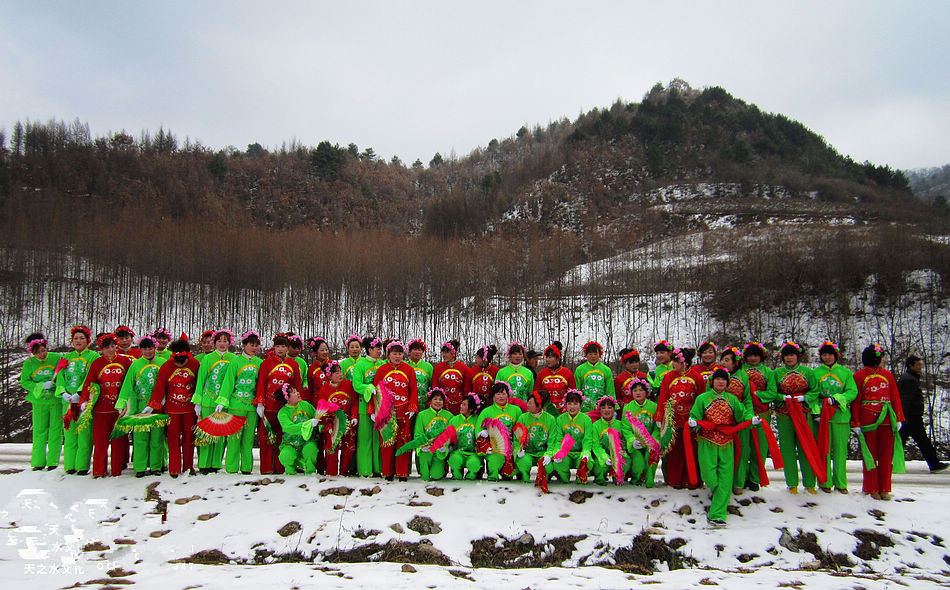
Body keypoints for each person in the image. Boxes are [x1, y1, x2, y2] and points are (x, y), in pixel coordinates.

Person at [689, 369, 756, 527]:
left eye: (723, 380)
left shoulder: (732, 400)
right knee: (708, 474)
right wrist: (692, 422)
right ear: (712, 381)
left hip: (727, 441)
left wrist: (751, 419)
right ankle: (719, 493)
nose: (720, 382)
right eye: (718, 379)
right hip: (707, 441)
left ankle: (717, 514)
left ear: (727, 383)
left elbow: (742, 415)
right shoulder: (702, 398)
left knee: (726, 477)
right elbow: (695, 415)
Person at [761, 342, 819, 495]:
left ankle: (810, 483)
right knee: (787, 450)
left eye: (792, 355)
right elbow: (773, 392)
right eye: (786, 355)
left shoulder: (808, 372)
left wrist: (804, 398)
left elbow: (815, 391)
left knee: (806, 448)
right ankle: (792, 483)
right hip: (784, 414)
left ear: (797, 356)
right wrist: (782, 397)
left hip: (803, 413)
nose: (789, 358)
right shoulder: (776, 373)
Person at [852, 345, 906, 500]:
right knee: (870, 455)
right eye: (881, 357)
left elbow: (894, 396)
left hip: (887, 419)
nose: (883, 360)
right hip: (867, 419)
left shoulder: (887, 375)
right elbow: (856, 400)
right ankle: (871, 487)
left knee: (886, 456)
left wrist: (898, 417)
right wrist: (855, 421)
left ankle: (885, 488)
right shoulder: (859, 376)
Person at [80, 334, 133, 477]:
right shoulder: (97, 363)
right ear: (101, 349)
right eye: (107, 347)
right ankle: (99, 470)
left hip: (119, 409)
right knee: (100, 441)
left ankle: (117, 470)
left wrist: (127, 402)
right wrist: (85, 400)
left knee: (118, 441)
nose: (111, 350)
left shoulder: (125, 361)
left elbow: (130, 382)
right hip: (101, 409)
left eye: (113, 346)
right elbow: (89, 383)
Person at [809, 341, 858, 494]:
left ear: (836, 355)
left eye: (830, 354)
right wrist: (816, 411)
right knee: (823, 451)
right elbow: (813, 394)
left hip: (840, 416)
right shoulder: (815, 373)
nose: (827, 357)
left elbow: (852, 391)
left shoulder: (845, 372)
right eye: (824, 354)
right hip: (822, 418)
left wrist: (837, 398)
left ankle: (841, 483)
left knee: (840, 451)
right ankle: (824, 482)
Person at [149, 338, 200, 477]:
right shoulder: (166, 366)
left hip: (190, 409)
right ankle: (174, 467)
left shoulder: (195, 364)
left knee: (189, 438)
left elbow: (199, 385)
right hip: (172, 409)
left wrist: (199, 403)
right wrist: (154, 404)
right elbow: (160, 387)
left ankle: (188, 467)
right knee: (173, 438)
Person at [254, 333, 303, 475]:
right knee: (267, 437)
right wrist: (260, 402)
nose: (280, 349)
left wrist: (297, 403)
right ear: (273, 348)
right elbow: (261, 383)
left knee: (283, 438)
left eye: (283, 346)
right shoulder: (267, 363)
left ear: (287, 348)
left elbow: (297, 385)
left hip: (285, 408)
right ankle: (267, 468)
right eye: (277, 346)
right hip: (268, 406)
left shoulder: (293, 364)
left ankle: (280, 467)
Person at [116, 335, 164, 477]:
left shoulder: (162, 363)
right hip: (140, 406)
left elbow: (167, 384)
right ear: (140, 350)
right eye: (145, 349)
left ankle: (156, 466)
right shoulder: (135, 365)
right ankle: (140, 467)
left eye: (151, 348)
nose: (148, 351)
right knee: (140, 438)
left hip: (157, 407)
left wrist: (163, 400)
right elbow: (127, 385)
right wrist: (122, 403)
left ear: (155, 348)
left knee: (157, 438)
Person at [218, 331, 263, 475]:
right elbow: (229, 382)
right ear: (244, 345)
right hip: (236, 405)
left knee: (248, 439)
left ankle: (246, 468)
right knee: (234, 438)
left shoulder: (260, 363)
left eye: (256, 346)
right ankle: (231, 468)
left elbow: (260, 385)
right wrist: (222, 401)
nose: (254, 348)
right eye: (251, 345)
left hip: (251, 407)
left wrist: (260, 403)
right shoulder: (236, 362)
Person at [55, 326, 99, 474]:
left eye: (82, 338)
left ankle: (81, 466)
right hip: (67, 401)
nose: (78, 341)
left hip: (84, 401)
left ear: (88, 340)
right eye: (76, 338)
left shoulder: (93, 357)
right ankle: (69, 465)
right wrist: (62, 392)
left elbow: (91, 377)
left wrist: (81, 392)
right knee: (69, 433)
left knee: (84, 434)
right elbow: (59, 376)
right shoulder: (66, 358)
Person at [373, 341, 419, 481]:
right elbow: (376, 390)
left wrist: (412, 407)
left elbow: (413, 390)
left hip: (404, 411)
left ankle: (402, 472)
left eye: (399, 354)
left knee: (403, 442)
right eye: (394, 353)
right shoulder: (382, 370)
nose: (397, 356)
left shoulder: (409, 370)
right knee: (387, 443)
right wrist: (374, 410)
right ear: (388, 355)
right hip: (386, 413)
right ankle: (388, 472)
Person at [655, 347, 701, 488]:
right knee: (674, 452)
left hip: (690, 421)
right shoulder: (668, 377)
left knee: (691, 451)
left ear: (684, 362)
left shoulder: (696, 377)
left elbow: (700, 399)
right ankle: (674, 481)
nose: (673, 364)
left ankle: (692, 481)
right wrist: (660, 416)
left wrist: (699, 419)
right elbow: (663, 397)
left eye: (675, 361)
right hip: (673, 421)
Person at [193, 329, 236, 474]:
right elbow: (201, 380)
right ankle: (204, 463)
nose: (222, 344)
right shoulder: (208, 359)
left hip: (224, 402)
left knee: (220, 433)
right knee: (206, 433)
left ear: (230, 343)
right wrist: (197, 401)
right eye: (219, 341)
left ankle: (216, 463)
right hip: (207, 400)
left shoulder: (233, 359)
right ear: (214, 343)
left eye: (225, 341)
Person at [19, 334, 64, 471]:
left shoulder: (56, 358)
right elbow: (24, 382)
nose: (41, 355)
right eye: (38, 353)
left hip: (55, 401)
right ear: (32, 353)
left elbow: (63, 371)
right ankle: (38, 462)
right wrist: (40, 386)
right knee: (39, 431)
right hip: (39, 402)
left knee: (55, 431)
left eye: (43, 351)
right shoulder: (29, 364)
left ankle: (53, 462)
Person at [898, 355, 947, 473]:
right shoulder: (909, 379)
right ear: (911, 366)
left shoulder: (911, 378)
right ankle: (934, 464)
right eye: (918, 364)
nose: (920, 367)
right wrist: (904, 417)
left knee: (900, 442)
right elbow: (905, 400)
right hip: (912, 417)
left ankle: (887, 464)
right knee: (922, 441)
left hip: (910, 417)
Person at [316, 361, 359, 476]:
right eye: (336, 373)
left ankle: (345, 471)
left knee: (349, 447)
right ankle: (331, 472)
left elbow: (355, 403)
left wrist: (354, 416)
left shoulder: (348, 385)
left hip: (348, 421)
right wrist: (327, 424)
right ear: (329, 375)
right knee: (331, 447)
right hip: (332, 422)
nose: (340, 375)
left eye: (340, 372)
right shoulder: (324, 389)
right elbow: (322, 408)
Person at [741, 342, 773, 491]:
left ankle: (754, 478)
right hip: (743, 414)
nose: (753, 358)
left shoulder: (768, 372)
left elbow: (772, 393)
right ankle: (741, 477)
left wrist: (757, 395)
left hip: (761, 413)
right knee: (743, 448)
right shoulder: (740, 371)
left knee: (759, 448)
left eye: (756, 355)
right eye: (750, 355)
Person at [476, 381, 523, 480]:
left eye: (503, 393)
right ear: (493, 396)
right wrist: (485, 445)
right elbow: (478, 431)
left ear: (508, 394)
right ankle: (493, 474)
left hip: (512, 448)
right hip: (495, 449)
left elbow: (521, 429)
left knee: (508, 475)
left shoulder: (516, 410)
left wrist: (519, 446)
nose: (501, 396)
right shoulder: (486, 411)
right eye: (498, 394)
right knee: (495, 461)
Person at [352, 336, 384, 477]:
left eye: (380, 348)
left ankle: (378, 468)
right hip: (365, 406)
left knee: (378, 438)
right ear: (369, 349)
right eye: (377, 348)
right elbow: (357, 384)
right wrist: (368, 387)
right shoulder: (360, 364)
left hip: (381, 407)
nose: (379, 351)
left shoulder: (383, 364)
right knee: (365, 438)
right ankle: (365, 470)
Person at [513, 390, 559, 483]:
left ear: (539, 405)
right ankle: (525, 479)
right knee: (523, 462)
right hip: (527, 452)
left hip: (542, 452)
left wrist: (549, 454)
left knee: (548, 466)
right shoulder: (523, 417)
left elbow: (552, 440)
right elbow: (517, 438)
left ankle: (543, 479)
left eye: (531, 403)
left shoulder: (550, 419)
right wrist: (518, 450)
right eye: (528, 402)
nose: (527, 405)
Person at [620, 378, 659, 487]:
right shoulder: (628, 408)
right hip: (636, 443)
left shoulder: (654, 407)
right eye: (635, 390)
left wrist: (654, 440)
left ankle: (650, 481)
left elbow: (657, 427)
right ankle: (635, 480)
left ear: (646, 392)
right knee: (639, 463)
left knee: (651, 459)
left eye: (641, 390)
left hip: (650, 442)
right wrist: (632, 441)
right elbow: (626, 428)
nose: (638, 393)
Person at [549, 389, 593, 483]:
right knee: (558, 464)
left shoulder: (586, 419)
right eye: (569, 403)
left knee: (587, 463)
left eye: (575, 404)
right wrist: (558, 453)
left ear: (580, 405)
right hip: (566, 454)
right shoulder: (560, 419)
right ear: (566, 405)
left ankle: (580, 480)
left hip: (580, 453)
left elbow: (587, 439)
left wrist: (586, 453)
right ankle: (565, 480)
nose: (572, 407)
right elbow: (558, 439)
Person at [276, 384, 319, 475]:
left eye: (296, 391)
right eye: (294, 392)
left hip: (307, 441)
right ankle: (290, 471)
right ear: (287, 398)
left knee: (311, 449)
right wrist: (308, 424)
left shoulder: (305, 405)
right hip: (291, 443)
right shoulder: (283, 413)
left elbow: (316, 415)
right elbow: (288, 427)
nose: (298, 393)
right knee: (285, 455)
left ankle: (311, 472)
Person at [412, 388, 453, 481]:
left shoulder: (449, 416)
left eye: (440, 399)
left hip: (439, 450)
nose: (438, 402)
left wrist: (445, 446)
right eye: (435, 399)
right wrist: (423, 445)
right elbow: (418, 434)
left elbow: (451, 435)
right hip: (426, 448)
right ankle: (424, 477)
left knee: (436, 475)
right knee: (425, 455)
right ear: (430, 401)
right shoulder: (422, 415)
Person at [590, 396, 628, 484]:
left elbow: (624, 442)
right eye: (603, 408)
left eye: (610, 407)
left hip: (618, 455)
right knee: (600, 465)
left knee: (625, 462)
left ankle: (618, 478)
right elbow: (595, 445)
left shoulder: (620, 424)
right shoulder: (595, 425)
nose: (606, 410)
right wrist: (604, 457)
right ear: (600, 410)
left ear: (614, 409)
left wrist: (619, 455)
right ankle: (600, 479)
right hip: (602, 456)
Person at [448, 395, 482, 480]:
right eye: (461, 404)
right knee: (455, 460)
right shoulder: (454, 420)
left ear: (470, 409)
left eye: (464, 405)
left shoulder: (478, 420)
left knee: (474, 464)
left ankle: (472, 474)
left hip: (473, 454)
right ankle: (456, 473)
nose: (461, 406)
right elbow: (448, 436)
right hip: (458, 452)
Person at [534, 342, 574, 415]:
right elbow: (536, 393)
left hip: (564, 412)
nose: (547, 360)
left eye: (550, 357)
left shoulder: (567, 373)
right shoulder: (542, 374)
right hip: (546, 412)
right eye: (546, 357)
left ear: (557, 358)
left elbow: (573, 393)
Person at [574, 341, 614, 414]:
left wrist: (611, 405)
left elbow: (610, 389)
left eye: (595, 354)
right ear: (586, 355)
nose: (593, 356)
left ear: (600, 355)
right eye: (590, 354)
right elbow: (577, 389)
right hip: (584, 408)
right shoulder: (579, 369)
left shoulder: (606, 370)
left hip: (602, 408)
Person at [432, 340, 469, 414]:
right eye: (443, 352)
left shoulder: (463, 367)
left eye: (446, 352)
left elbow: (466, 388)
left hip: (459, 405)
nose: (444, 355)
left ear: (453, 353)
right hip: (442, 405)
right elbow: (435, 386)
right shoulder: (438, 368)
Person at [495, 342, 535, 407]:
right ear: (510, 355)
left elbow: (531, 391)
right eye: (515, 354)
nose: (517, 356)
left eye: (520, 354)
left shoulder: (528, 373)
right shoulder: (501, 372)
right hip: (507, 407)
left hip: (524, 407)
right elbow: (496, 392)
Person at [406, 339, 434, 414]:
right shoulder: (404, 365)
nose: (417, 352)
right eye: (414, 349)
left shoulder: (428, 366)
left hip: (423, 403)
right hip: (407, 402)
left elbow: (432, 385)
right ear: (410, 351)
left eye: (419, 350)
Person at [306, 336, 332, 403]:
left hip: (332, 398)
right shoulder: (312, 368)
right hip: (317, 400)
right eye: (322, 350)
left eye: (326, 349)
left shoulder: (333, 365)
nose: (325, 352)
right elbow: (310, 388)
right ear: (315, 352)